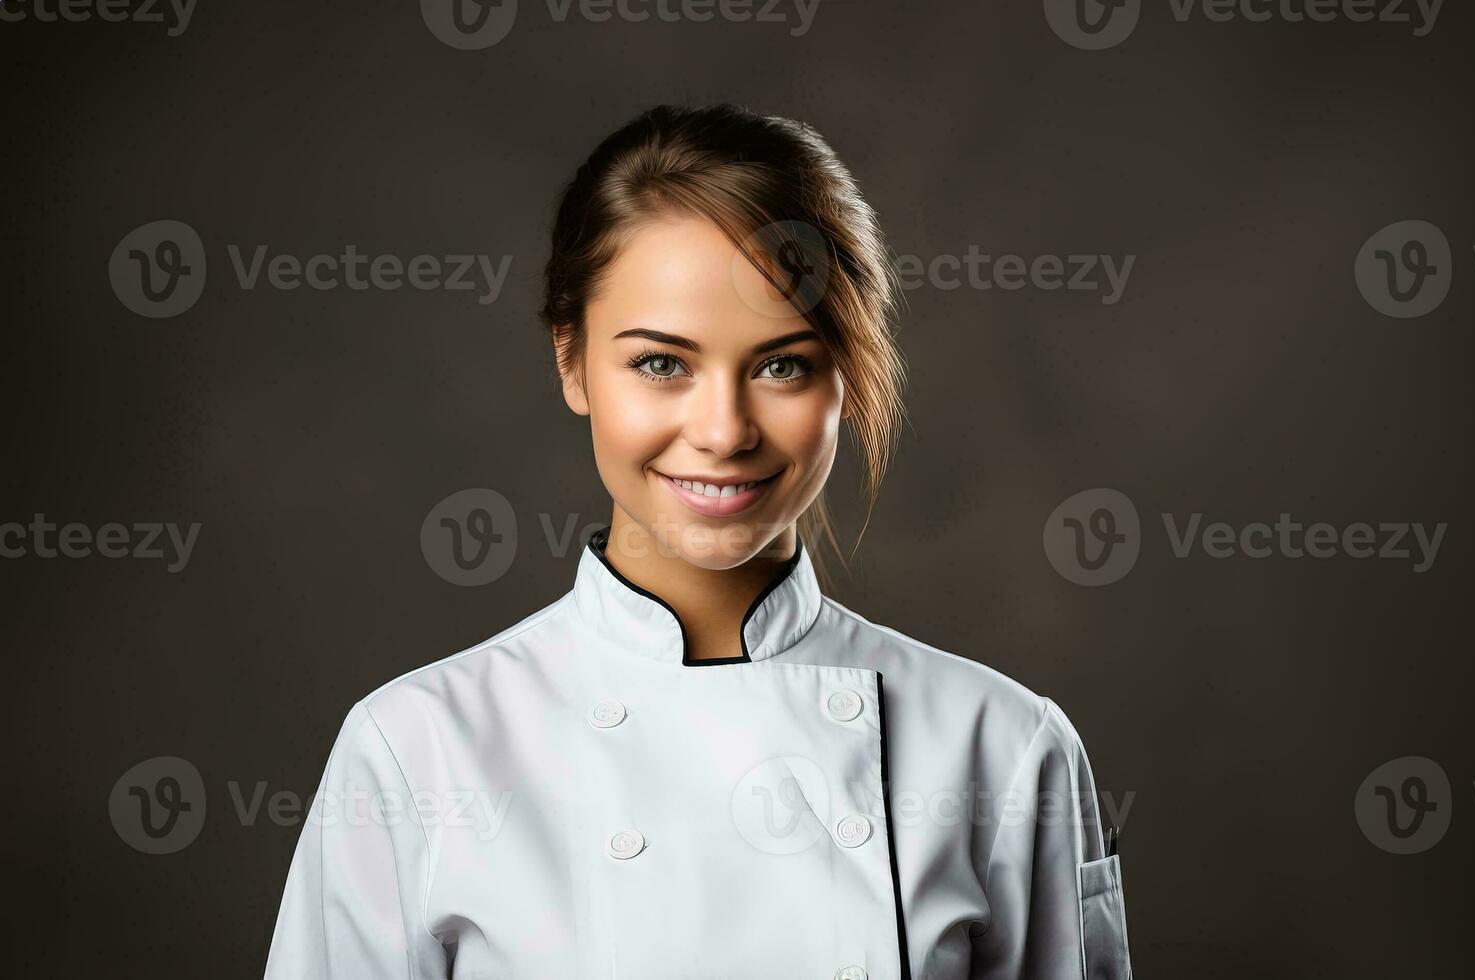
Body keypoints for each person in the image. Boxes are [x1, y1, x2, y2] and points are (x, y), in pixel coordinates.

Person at [263, 103, 1132, 980]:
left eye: (782, 364)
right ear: (571, 360)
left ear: (848, 377)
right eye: (660, 364)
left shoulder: (1005, 750)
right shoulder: (415, 752)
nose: (723, 432)